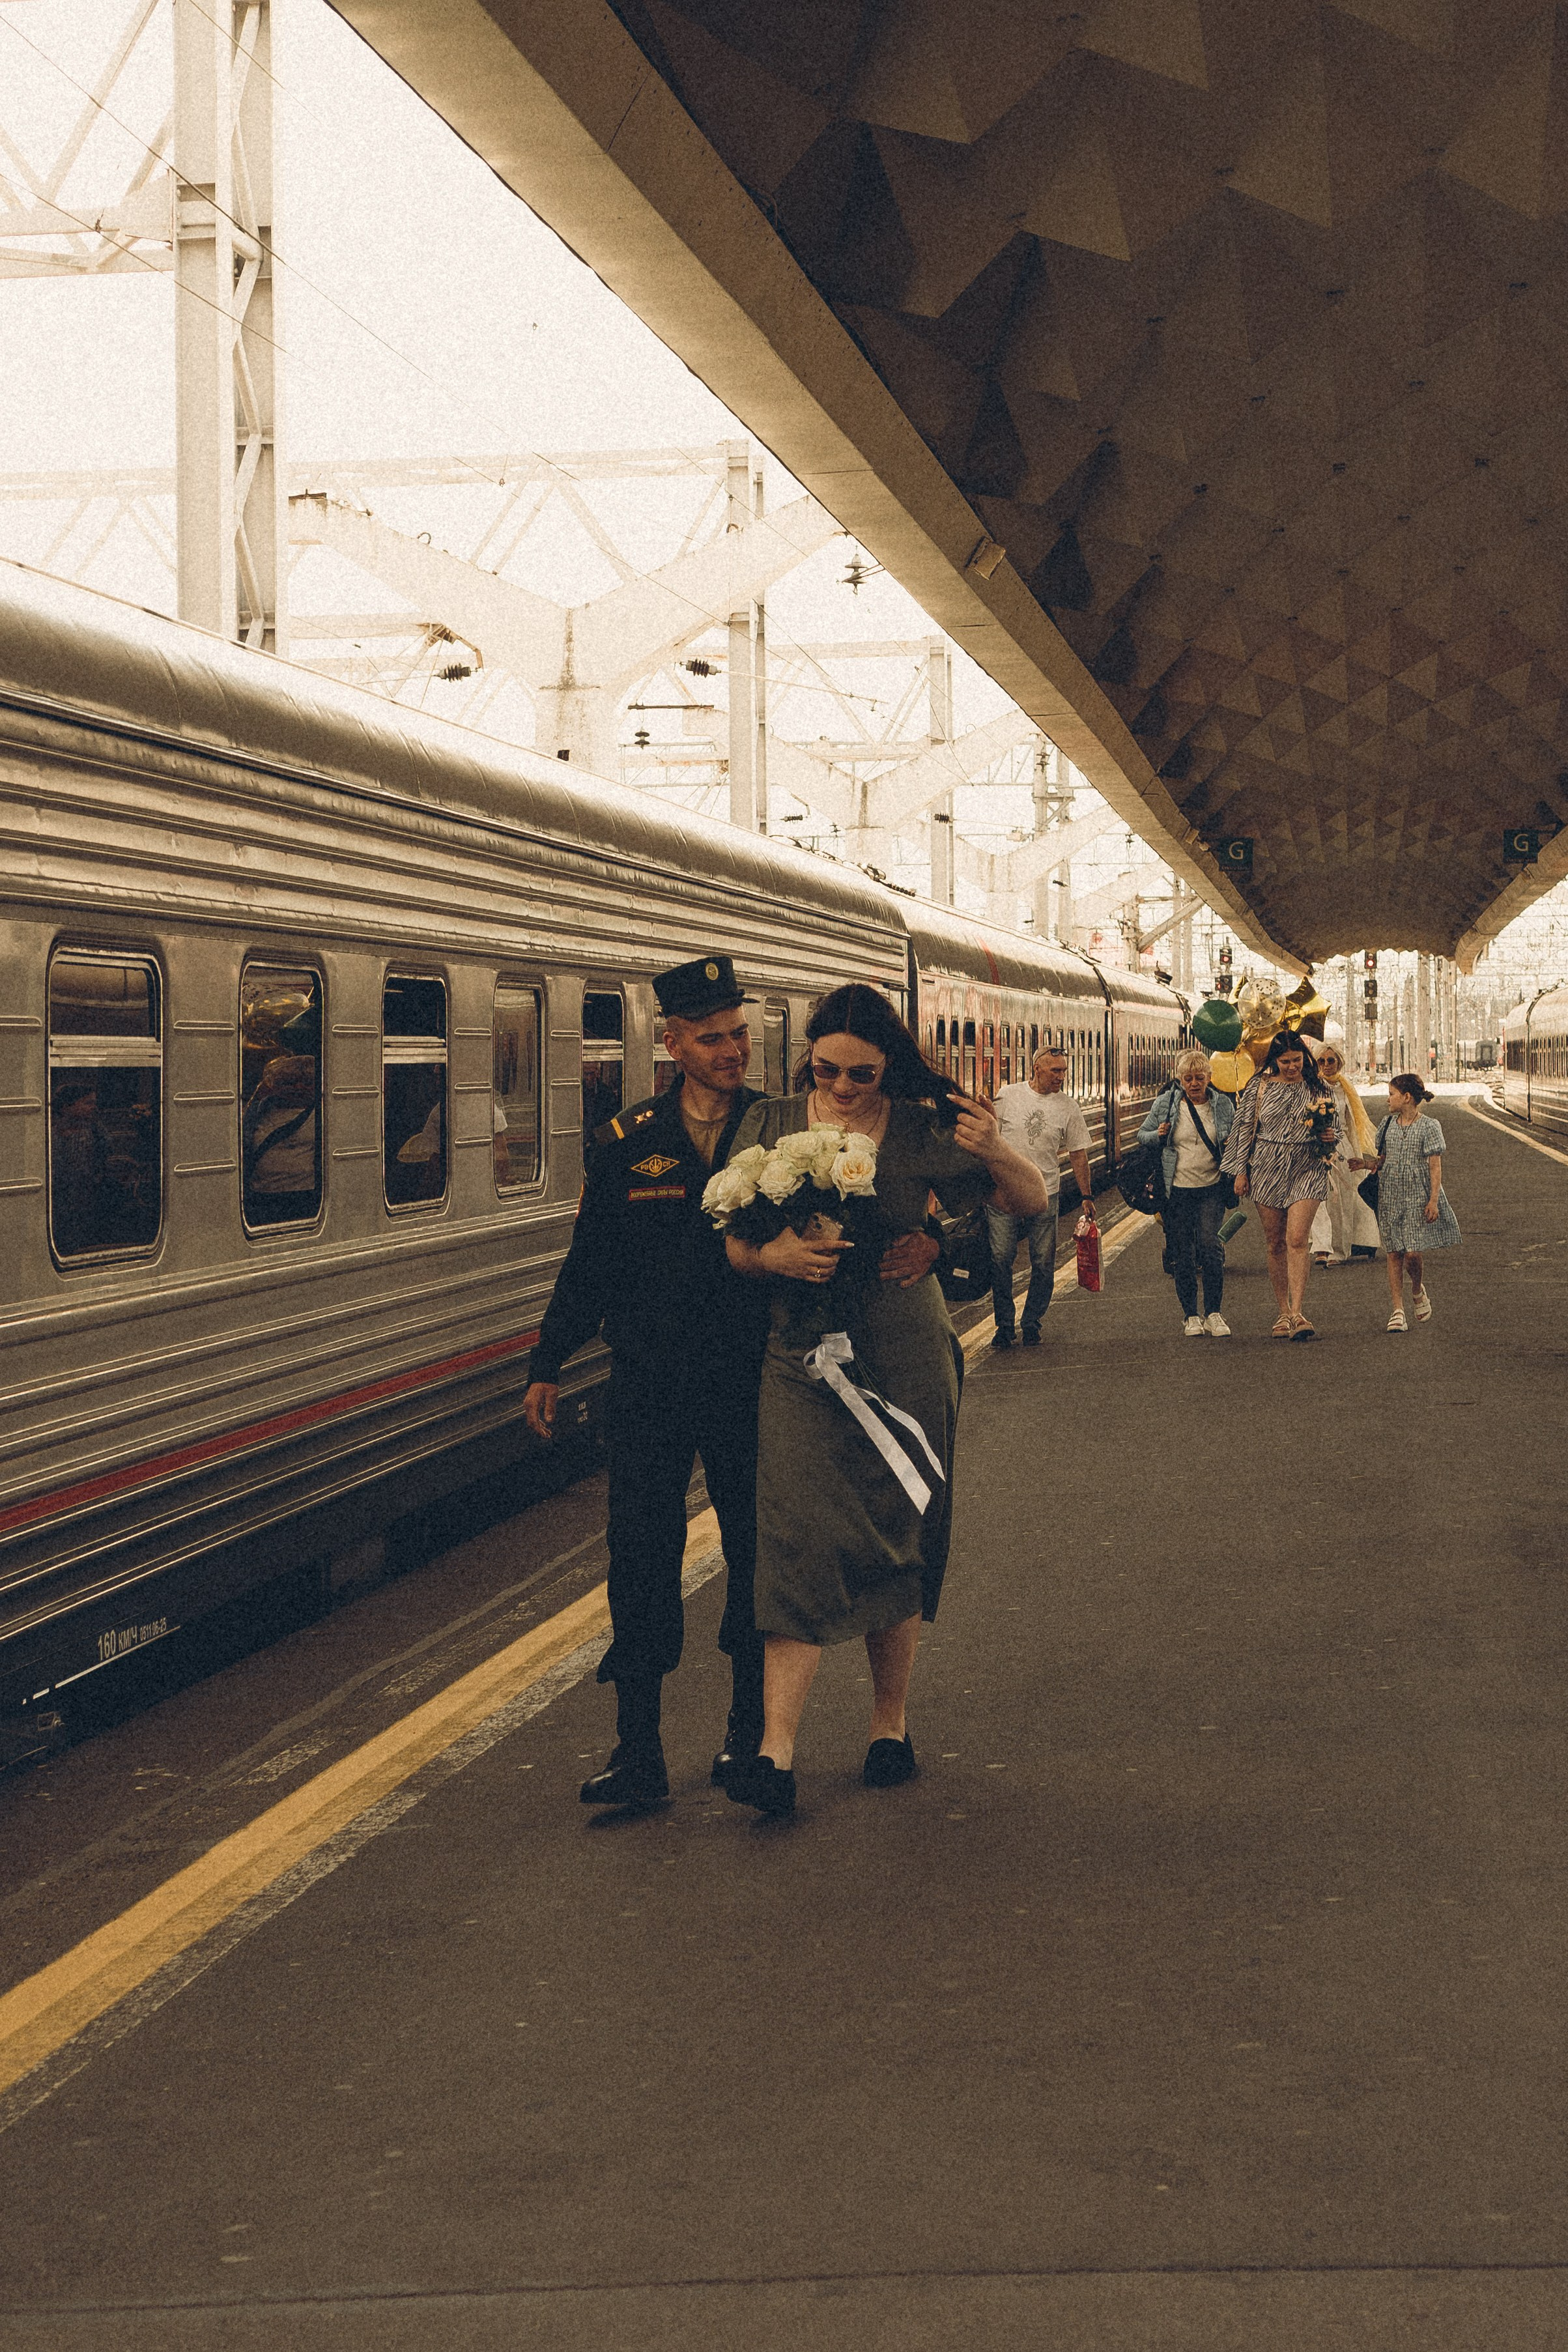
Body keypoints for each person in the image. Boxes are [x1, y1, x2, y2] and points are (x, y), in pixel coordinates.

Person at [720, 983, 1048, 1817]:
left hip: (900, 1346)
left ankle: (888, 1725)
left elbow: (1027, 1202)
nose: (838, 1087)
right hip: (799, 1350)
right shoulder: (768, 1125)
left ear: (888, 1064)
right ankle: (773, 1752)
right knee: (793, 1530)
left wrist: (988, 1163)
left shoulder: (923, 1120)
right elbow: (729, 1240)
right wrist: (772, 1259)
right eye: (824, 1068)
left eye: (859, 1073)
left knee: (900, 1520)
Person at [520, 955, 770, 1811]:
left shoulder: (774, 1136)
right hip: (651, 1385)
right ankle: (639, 1750)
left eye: (739, 1034)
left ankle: (748, 1738)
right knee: (639, 1562)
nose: (732, 1050)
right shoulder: (628, 1144)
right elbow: (590, 1263)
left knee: (754, 1556)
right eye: (713, 1038)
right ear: (672, 1043)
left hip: (747, 1380)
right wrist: (546, 1360)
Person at [1219, 1028, 1336, 1340]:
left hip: (1307, 1165)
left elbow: (1333, 1128)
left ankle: (1298, 1313)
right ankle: (1282, 1313)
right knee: (1275, 1243)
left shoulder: (1318, 1087)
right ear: (1275, 1060)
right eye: (1285, 1061)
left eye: (1297, 1060)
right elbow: (1244, 1129)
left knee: (1297, 1239)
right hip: (1267, 1166)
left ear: (1304, 1059)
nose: (1292, 1067)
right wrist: (1239, 1172)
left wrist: (1329, 1137)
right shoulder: (1258, 1087)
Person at [987, 1042, 1093, 1347]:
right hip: (1003, 1193)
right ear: (1037, 1068)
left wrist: (1087, 1196)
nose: (1062, 1076)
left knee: (1044, 1262)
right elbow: (989, 1136)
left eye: (1064, 1071)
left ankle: (1031, 1321)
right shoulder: (1008, 1096)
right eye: (1056, 1070)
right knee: (1000, 1259)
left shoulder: (1068, 1107)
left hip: (1045, 1193)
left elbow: (1078, 1154)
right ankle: (1004, 1325)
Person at [1137, 1047, 1234, 1335]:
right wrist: (1158, 1135)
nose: (1194, 1083)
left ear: (1209, 1078)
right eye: (1188, 1078)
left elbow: (1237, 1140)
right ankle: (1191, 1315)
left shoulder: (1223, 1106)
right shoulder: (1166, 1104)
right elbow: (1142, 1135)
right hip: (1176, 1190)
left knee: (1210, 1248)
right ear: (1180, 1079)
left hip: (1212, 1188)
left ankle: (1214, 1313)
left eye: (1200, 1078)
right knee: (1183, 1252)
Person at [1365, 1072, 1461, 1330]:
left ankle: (1417, 1290)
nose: (1388, 1100)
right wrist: (1366, 1164)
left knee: (1413, 1253)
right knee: (1394, 1251)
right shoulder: (1386, 1125)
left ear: (1406, 1098)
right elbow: (1382, 1159)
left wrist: (1433, 1200)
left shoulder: (1430, 1126)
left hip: (1417, 1195)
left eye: (1392, 1094)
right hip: (1390, 1194)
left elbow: (1435, 1167)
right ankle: (1398, 1310)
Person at [1308, 1040, 1380, 1266]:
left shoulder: (1345, 1088)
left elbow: (1351, 1123)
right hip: (1314, 1147)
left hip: (1342, 1147)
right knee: (1317, 1199)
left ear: (1340, 1063)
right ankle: (1321, 1246)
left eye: (1332, 1061)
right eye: (1322, 1061)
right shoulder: (1309, 1087)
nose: (1327, 1065)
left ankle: (1339, 1250)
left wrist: (1356, 1154)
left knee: (1342, 1200)